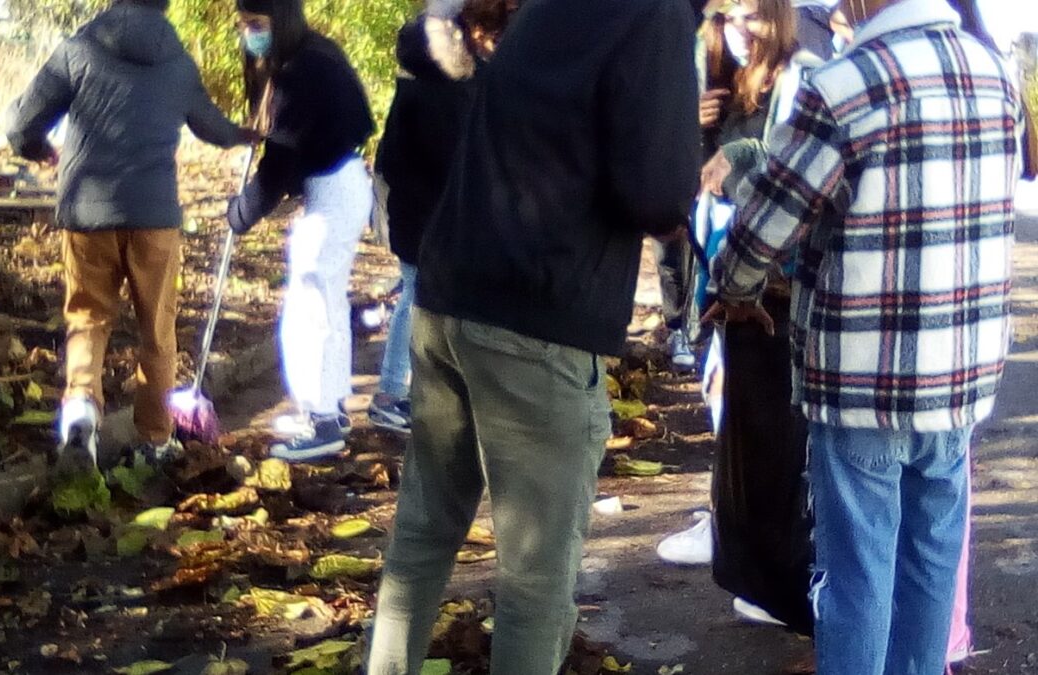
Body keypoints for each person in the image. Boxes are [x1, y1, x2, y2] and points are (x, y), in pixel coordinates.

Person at [365, 0, 702, 671]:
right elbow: (657, 192)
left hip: (449, 294)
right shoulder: (656, 14)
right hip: (539, 314)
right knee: (535, 578)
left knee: (422, 538)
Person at [709, 0, 1023, 671]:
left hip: (862, 377)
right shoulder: (993, 73)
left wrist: (733, 287)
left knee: (856, 574)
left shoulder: (844, 84)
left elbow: (765, 224)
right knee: (931, 561)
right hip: (961, 372)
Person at [5, 0, 255, 471]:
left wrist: (36, 149)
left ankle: (81, 411)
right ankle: (155, 440)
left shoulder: (79, 49)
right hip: (155, 218)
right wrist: (245, 134)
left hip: (87, 213)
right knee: (157, 328)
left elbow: (21, 124)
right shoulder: (178, 63)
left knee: (88, 318)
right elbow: (213, 128)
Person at [657, 0, 820, 635]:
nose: (740, 29)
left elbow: (789, 173)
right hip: (725, 267)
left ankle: (773, 571)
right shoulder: (720, 77)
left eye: (752, 14)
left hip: (768, 281)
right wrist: (690, 126)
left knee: (769, 430)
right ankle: (739, 538)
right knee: (731, 410)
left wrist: (739, 158)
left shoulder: (802, 74)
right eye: (729, 16)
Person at [226, 0, 374, 461]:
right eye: (244, 25)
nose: (250, 34)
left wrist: (243, 212)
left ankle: (321, 420)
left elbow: (280, 163)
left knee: (309, 307)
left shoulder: (300, 72)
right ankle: (331, 408)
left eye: (257, 24)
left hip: (332, 189)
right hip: (342, 182)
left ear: (281, 19)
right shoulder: (316, 53)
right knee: (326, 300)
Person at [369, 0, 519, 435]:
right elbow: (445, 160)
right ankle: (391, 393)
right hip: (426, 216)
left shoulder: (441, 83)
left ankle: (414, 391)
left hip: (427, 213)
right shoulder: (439, 90)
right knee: (417, 297)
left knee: (425, 298)